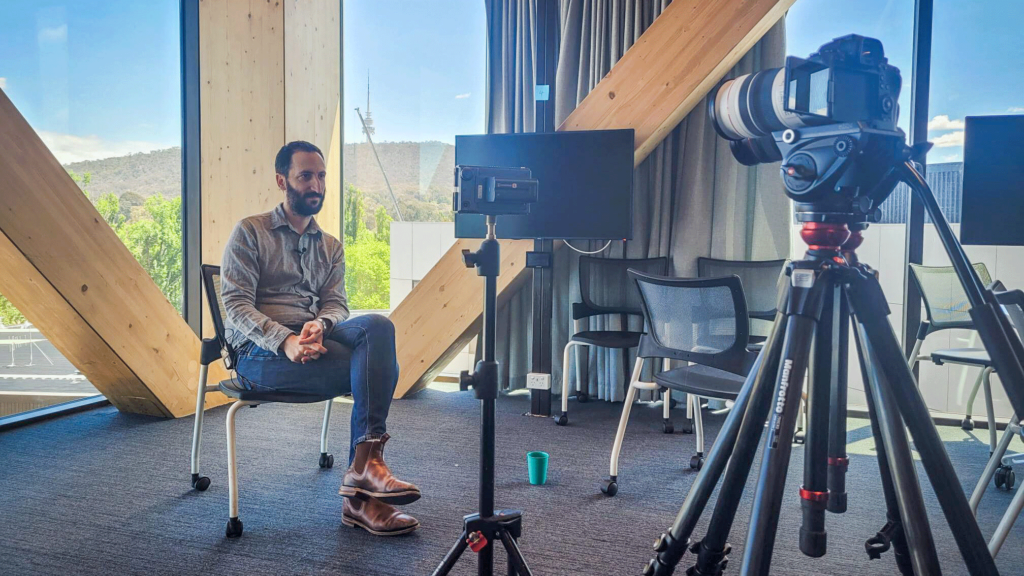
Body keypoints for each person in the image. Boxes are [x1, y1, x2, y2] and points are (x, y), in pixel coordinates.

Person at [221, 140, 419, 536]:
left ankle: (363, 471)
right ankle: (362, 497)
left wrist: (322, 325)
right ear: (282, 181)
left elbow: (337, 304)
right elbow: (236, 305)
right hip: (259, 353)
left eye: (322, 176)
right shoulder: (250, 232)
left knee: (378, 327)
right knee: (377, 370)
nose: (317, 184)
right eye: (306, 176)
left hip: (315, 338)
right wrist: (286, 340)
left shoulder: (330, 245)